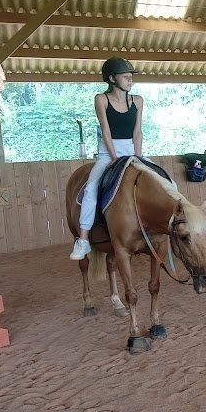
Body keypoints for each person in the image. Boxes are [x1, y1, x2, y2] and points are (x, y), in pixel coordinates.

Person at [69, 57, 144, 260]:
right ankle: (83, 239)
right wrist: (113, 157)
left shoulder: (137, 100)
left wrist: (137, 156)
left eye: (131, 77)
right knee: (91, 189)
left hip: (133, 151)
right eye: (126, 77)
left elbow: (138, 131)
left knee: (166, 180)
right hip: (107, 153)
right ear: (112, 78)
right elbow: (105, 131)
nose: (130, 80)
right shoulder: (101, 99)